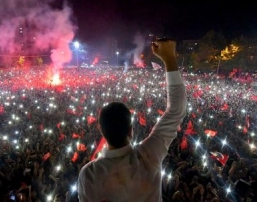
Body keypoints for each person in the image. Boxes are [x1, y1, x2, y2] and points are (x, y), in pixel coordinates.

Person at [77, 38, 187, 201]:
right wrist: (169, 58)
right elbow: (177, 109)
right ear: (131, 129)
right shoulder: (148, 156)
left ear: (101, 131)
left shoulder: (89, 174)